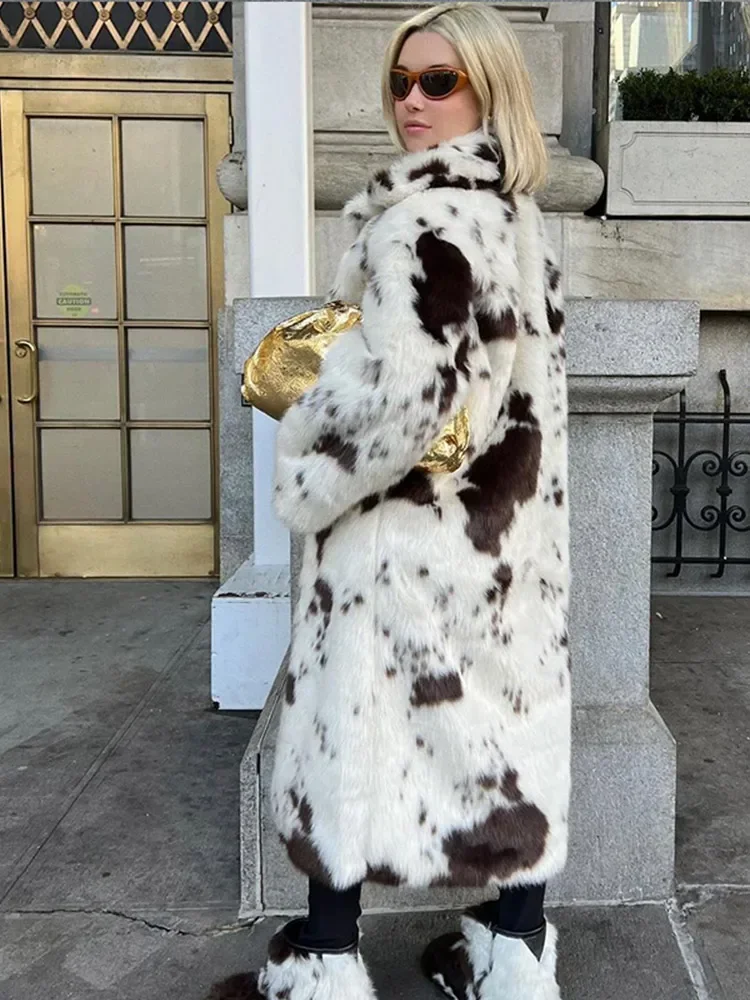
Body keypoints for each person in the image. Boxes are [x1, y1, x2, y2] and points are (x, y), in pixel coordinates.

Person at [208, 3, 570, 999]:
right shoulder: (515, 215)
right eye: (402, 82)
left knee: (343, 749)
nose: (412, 101)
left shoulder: (425, 218)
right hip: (495, 543)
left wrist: (308, 441)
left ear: (489, 87)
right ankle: (511, 960)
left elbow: (408, 400)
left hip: (398, 549)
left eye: (438, 81)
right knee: (503, 753)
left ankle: (322, 970)